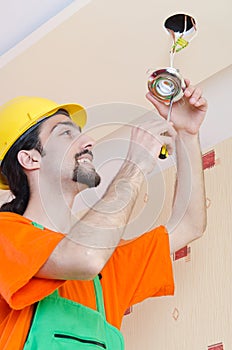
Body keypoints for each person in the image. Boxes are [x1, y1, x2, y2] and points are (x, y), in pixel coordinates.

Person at [0, 79, 207, 349]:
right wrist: (134, 165)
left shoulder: (108, 260)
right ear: (30, 159)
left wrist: (187, 134)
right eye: (66, 133)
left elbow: (189, 225)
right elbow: (85, 257)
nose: (89, 141)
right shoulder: (6, 234)